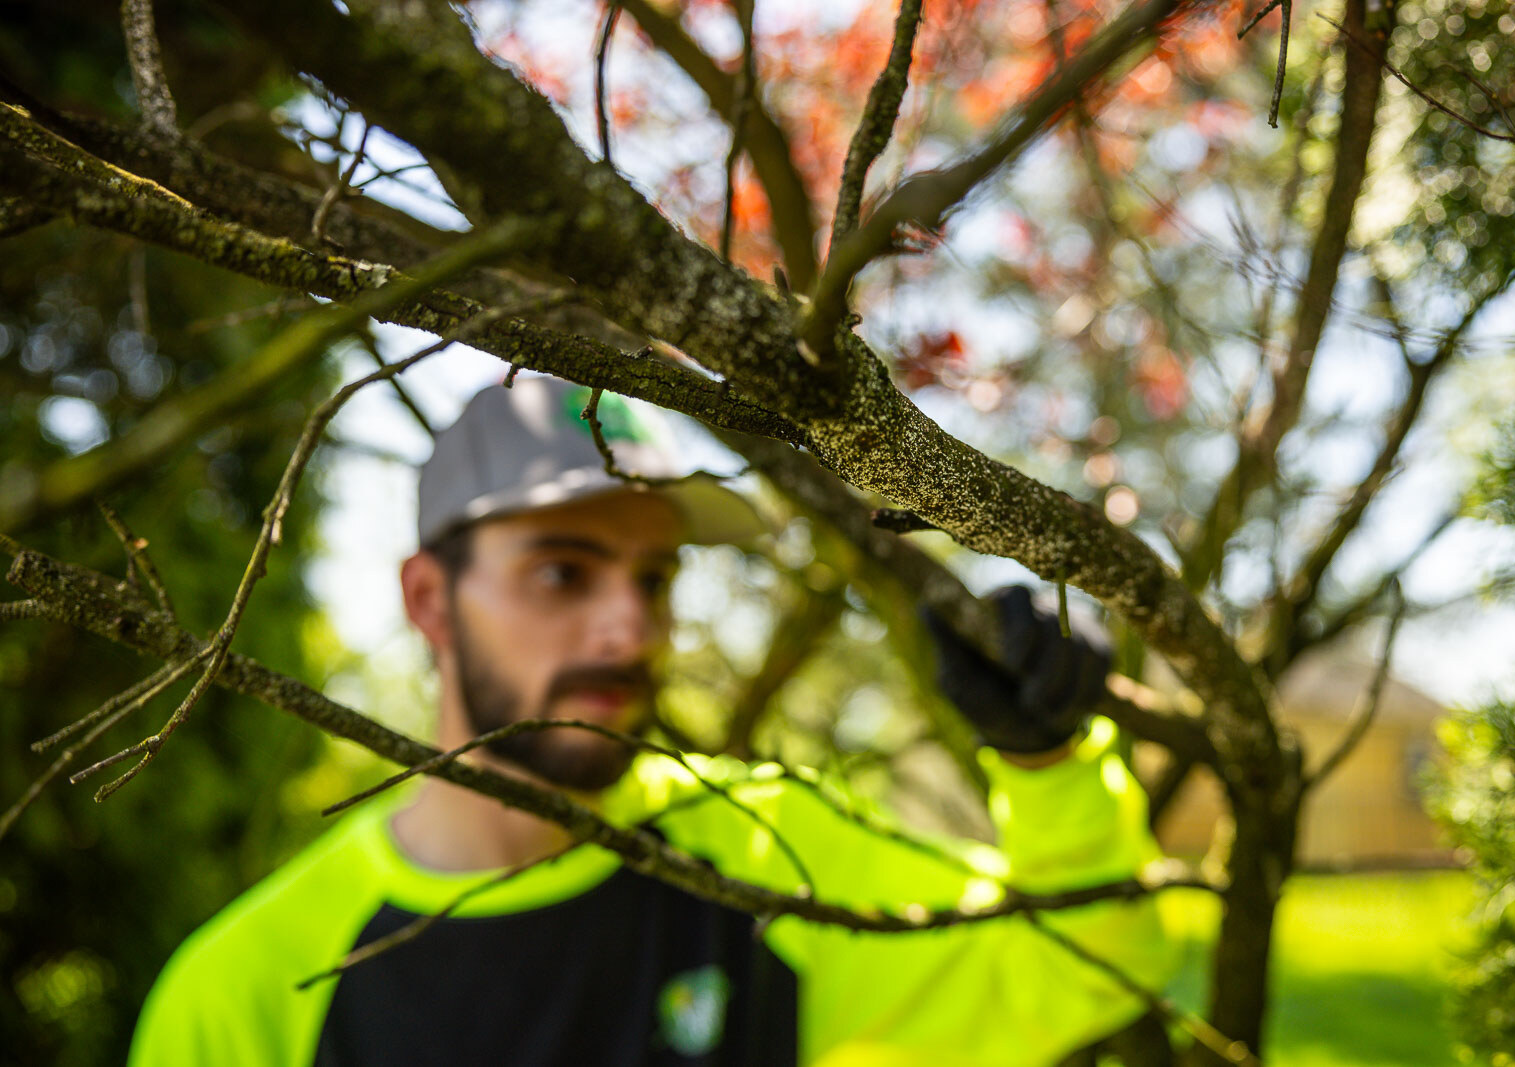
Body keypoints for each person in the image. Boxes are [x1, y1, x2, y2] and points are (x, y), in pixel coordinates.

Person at [127, 376, 1177, 1067]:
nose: (630, 625)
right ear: (428, 600)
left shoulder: (767, 850)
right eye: (562, 571)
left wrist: (1047, 757)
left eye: (655, 573)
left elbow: (1082, 971)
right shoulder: (244, 994)